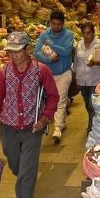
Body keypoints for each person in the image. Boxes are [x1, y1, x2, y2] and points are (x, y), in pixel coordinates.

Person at [0, 31, 59, 198]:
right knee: (16, 165)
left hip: (32, 129)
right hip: (9, 128)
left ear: (27, 50)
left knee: (26, 173)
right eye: (10, 52)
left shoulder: (41, 71)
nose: (14, 56)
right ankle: (24, 181)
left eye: (17, 51)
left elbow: (53, 96)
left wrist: (45, 118)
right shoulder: (4, 73)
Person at [34, 10, 74, 142]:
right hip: (48, 74)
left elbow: (67, 51)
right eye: (53, 24)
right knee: (50, 100)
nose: (56, 27)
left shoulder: (68, 34)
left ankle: (57, 128)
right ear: (50, 22)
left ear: (63, 23)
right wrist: (49, 60)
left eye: (59, 24)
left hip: (64, 73)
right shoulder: (44, 34)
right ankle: (61, 122)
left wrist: (51, 44)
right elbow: (36, 52)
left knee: (61, 99)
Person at [74, 22, 100, 134]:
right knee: (87, 105)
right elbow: (76, 62)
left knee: (92, 105)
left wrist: (96, 62)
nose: (86, 35)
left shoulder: (99, 44)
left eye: (88, 33)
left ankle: (91, 128)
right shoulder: (79, 44)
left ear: (93, 33)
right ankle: (95, 122)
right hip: (82, 80)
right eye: (84, 33)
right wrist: (76, 78)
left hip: (95, 79)